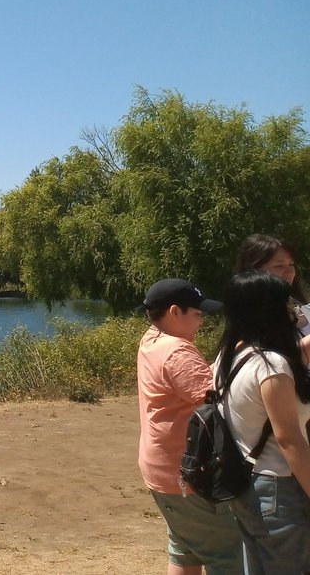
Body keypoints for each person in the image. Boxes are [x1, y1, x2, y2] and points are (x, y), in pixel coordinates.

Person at [137, 277, 242, 575]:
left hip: (162, 467)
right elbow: (218, 402)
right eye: (196, 313)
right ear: (174, 312)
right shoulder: (177, 352)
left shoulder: (151, 340)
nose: (201, 320)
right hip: (189, 472)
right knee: (229, 555)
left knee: (186, 551)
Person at [218, 270, 310, 575]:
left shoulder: (228, 356)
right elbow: (289, 441)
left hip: (246, 484)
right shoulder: (272, 367)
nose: (293, 312)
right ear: (269, 310)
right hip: (279, 491)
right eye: (287, 305)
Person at [234, 234, 310, 354]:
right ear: (254, 271)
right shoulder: (253, 316)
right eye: (279, 266)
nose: (290, 272)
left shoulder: (298, 305)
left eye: (291, 264)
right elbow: (276, 360)